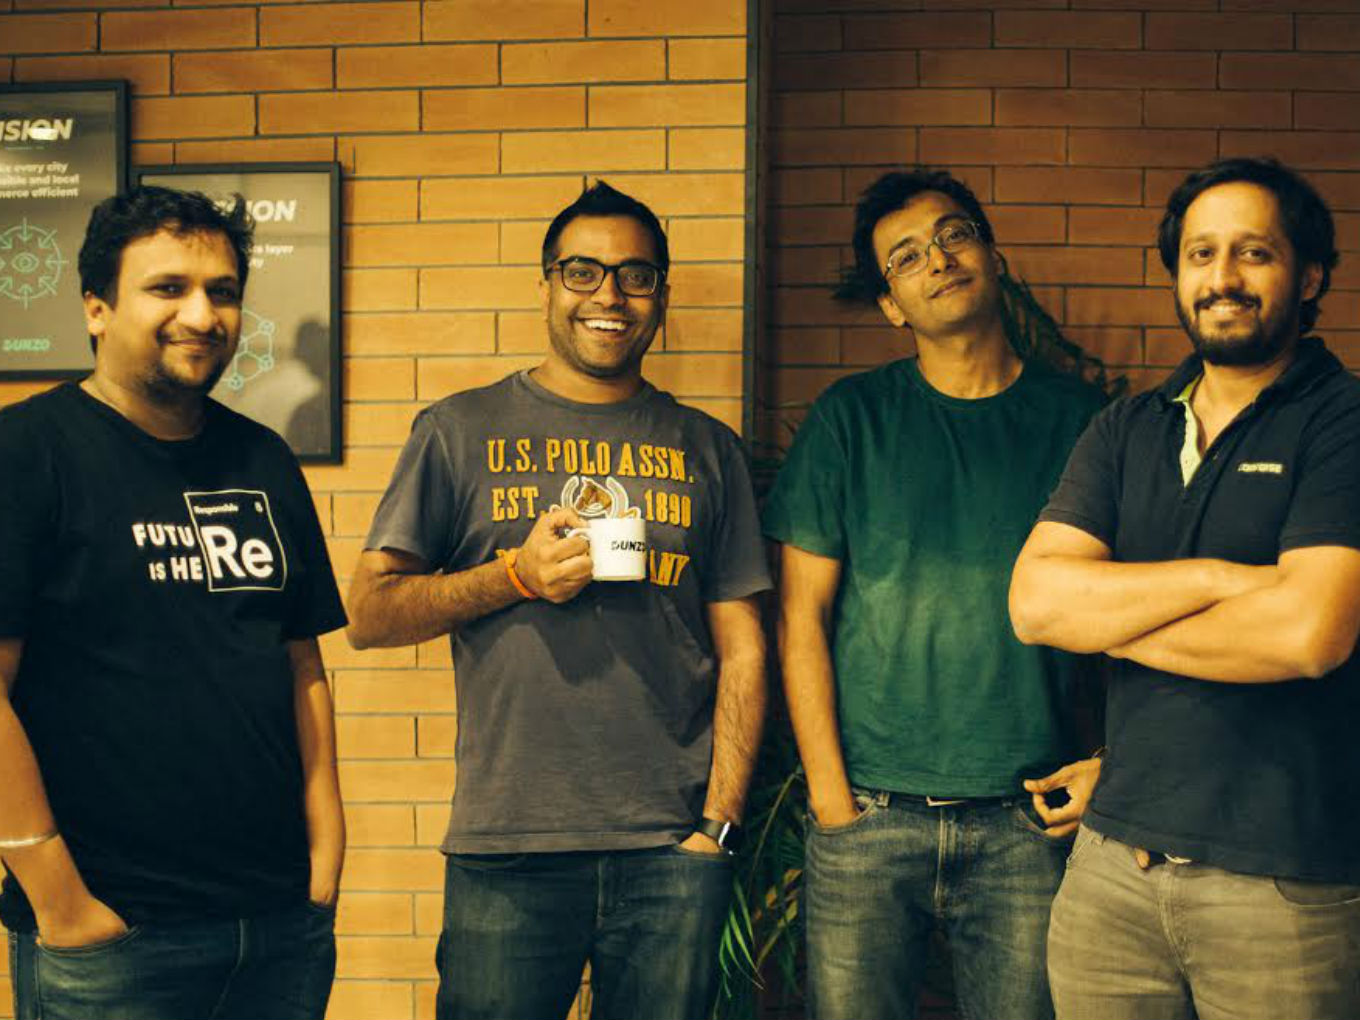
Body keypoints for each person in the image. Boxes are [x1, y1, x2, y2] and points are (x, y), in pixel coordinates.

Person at [346, 181, 770, 1020]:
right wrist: (514, 576)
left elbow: (745, 646)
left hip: (670, 850)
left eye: (635, 276)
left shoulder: (708, 448)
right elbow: (369, 613)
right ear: (546, 286)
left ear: (661, 298)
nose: (609, 295)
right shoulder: (457, 430)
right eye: (583, 271)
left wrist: (715, 827)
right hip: (509, 846)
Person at [1010, 156, 1360, 1020]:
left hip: (1282, 887)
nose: (1223, 277)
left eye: (1254, 252)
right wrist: (1218, 580)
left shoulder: (1343, 421)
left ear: (1310, 275)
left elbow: (1308, 633)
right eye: (1201, 254)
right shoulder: (1127, 427)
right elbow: (1036, 604)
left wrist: (1107, 617)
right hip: (1110, 870)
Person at [762, 168, 1108, 1020]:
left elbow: (1126, 613)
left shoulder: (1086, 422)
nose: (939, 259)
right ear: (891, 304)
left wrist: (1114, 763)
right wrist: (833, 803)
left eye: (955, 235)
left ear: (993, 255)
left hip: (1030, 819)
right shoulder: (851, 419)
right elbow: (801, 617)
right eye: (907, 256)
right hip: (870, 814)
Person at [0, 186, 346, 1020]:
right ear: (96, 308)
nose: (202, 314)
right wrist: (58, 899)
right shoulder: (26, 452)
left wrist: (326, 846)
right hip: (112, 938)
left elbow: (300, 661)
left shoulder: (262, 459)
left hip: (278, 925)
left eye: (222, 291)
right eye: (168, 288)